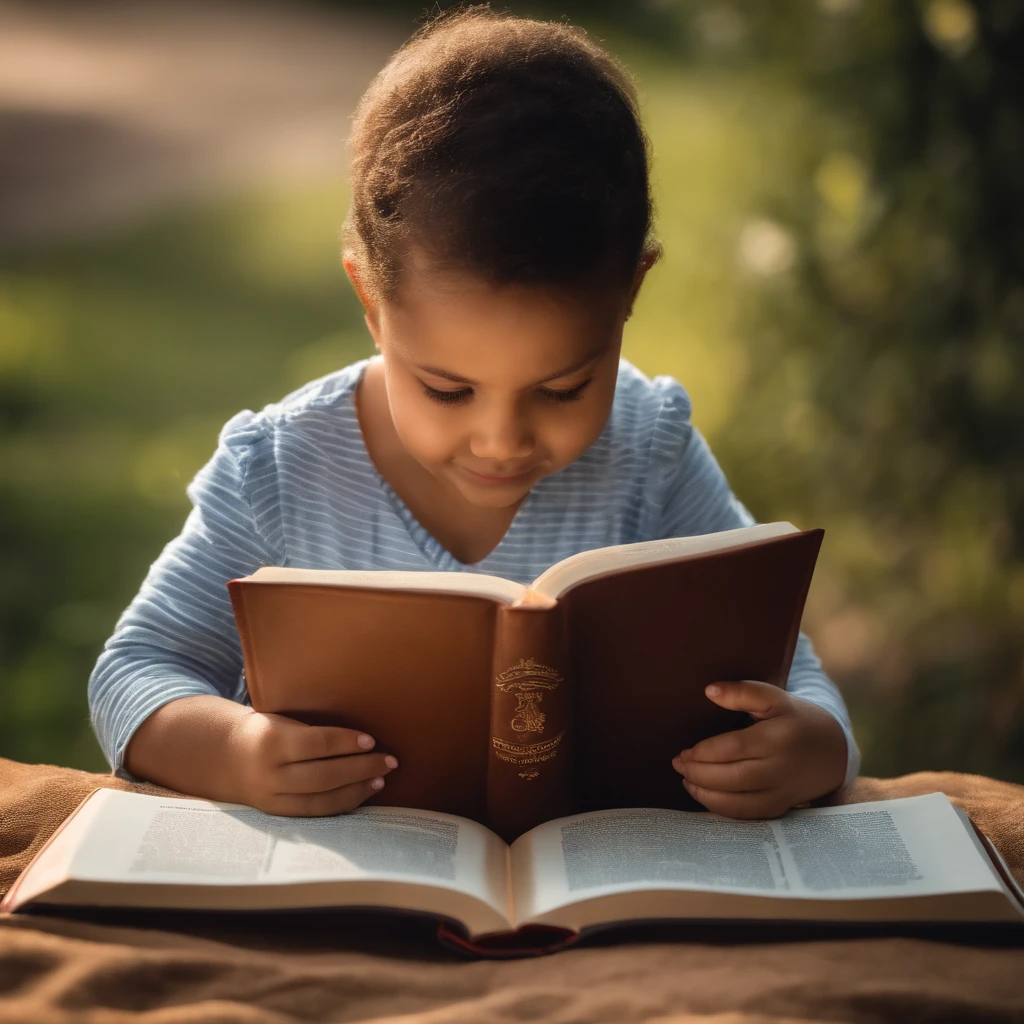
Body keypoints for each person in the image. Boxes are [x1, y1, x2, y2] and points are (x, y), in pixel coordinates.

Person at [89, 8, 858, 821]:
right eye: (447, 390)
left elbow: (785, 669)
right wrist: (234, 752)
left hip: (591, 884)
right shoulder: (280, 472)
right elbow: (135, 669)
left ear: (631, 292)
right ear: (372, 302)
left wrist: (817, 743)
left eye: (562, 390)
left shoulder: (652, 453)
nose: (502, 442)